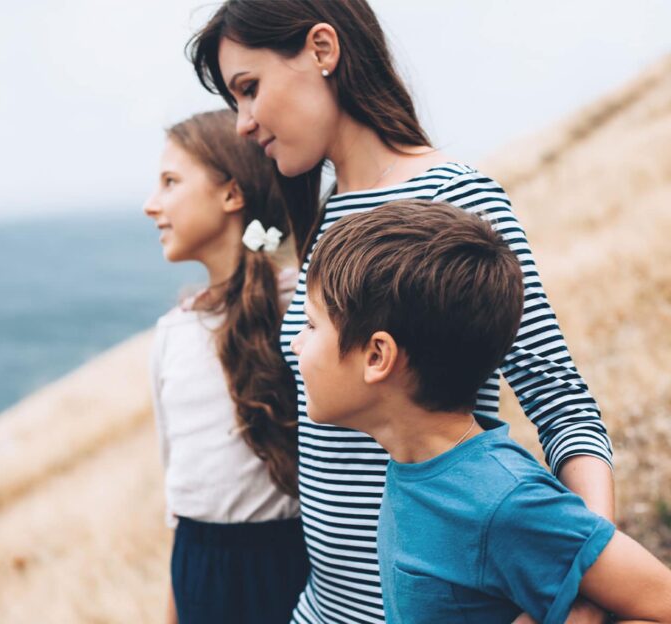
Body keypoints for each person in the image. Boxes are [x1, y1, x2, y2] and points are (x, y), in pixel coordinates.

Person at [188, 2, 615, 622]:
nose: (243, 124)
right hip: (321, 606)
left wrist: (585, 580)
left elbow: (558, 399)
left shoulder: (455, 195)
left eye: (249, 90)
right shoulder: (323, 213)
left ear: (322, 50)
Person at [290, 199, 671, 624]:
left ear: (377, 355)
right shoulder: (418, 465)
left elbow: (662, 605)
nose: (296, 344)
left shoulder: (505, 501)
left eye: (310, 325)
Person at [143, 109, 309, 624]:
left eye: (171, 182)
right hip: (198, 568)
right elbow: (181, 496)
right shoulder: (173, 332)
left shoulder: (303, 306)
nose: (151, 205)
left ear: (231, 194)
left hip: (294, 569)